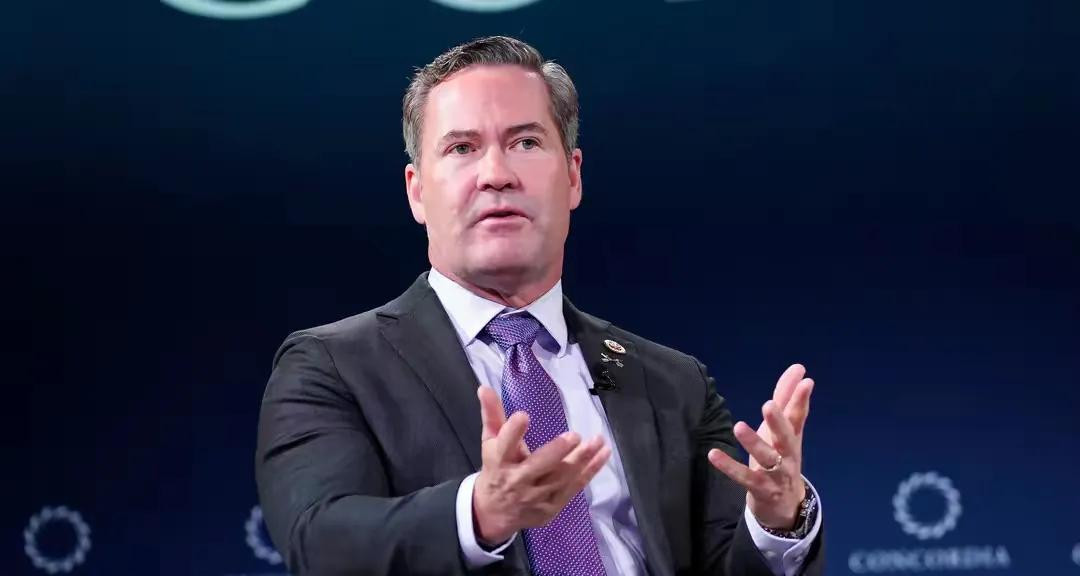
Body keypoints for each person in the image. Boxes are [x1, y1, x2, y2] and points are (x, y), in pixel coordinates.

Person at [256, 35, 824, 576]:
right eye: (461, 148)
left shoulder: (672, 382)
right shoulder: (332, 367)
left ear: (573, 176)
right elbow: (320, 540)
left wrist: (778, 523)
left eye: (525, 143)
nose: (496, 175)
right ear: (417, 191)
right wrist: (479, 513)